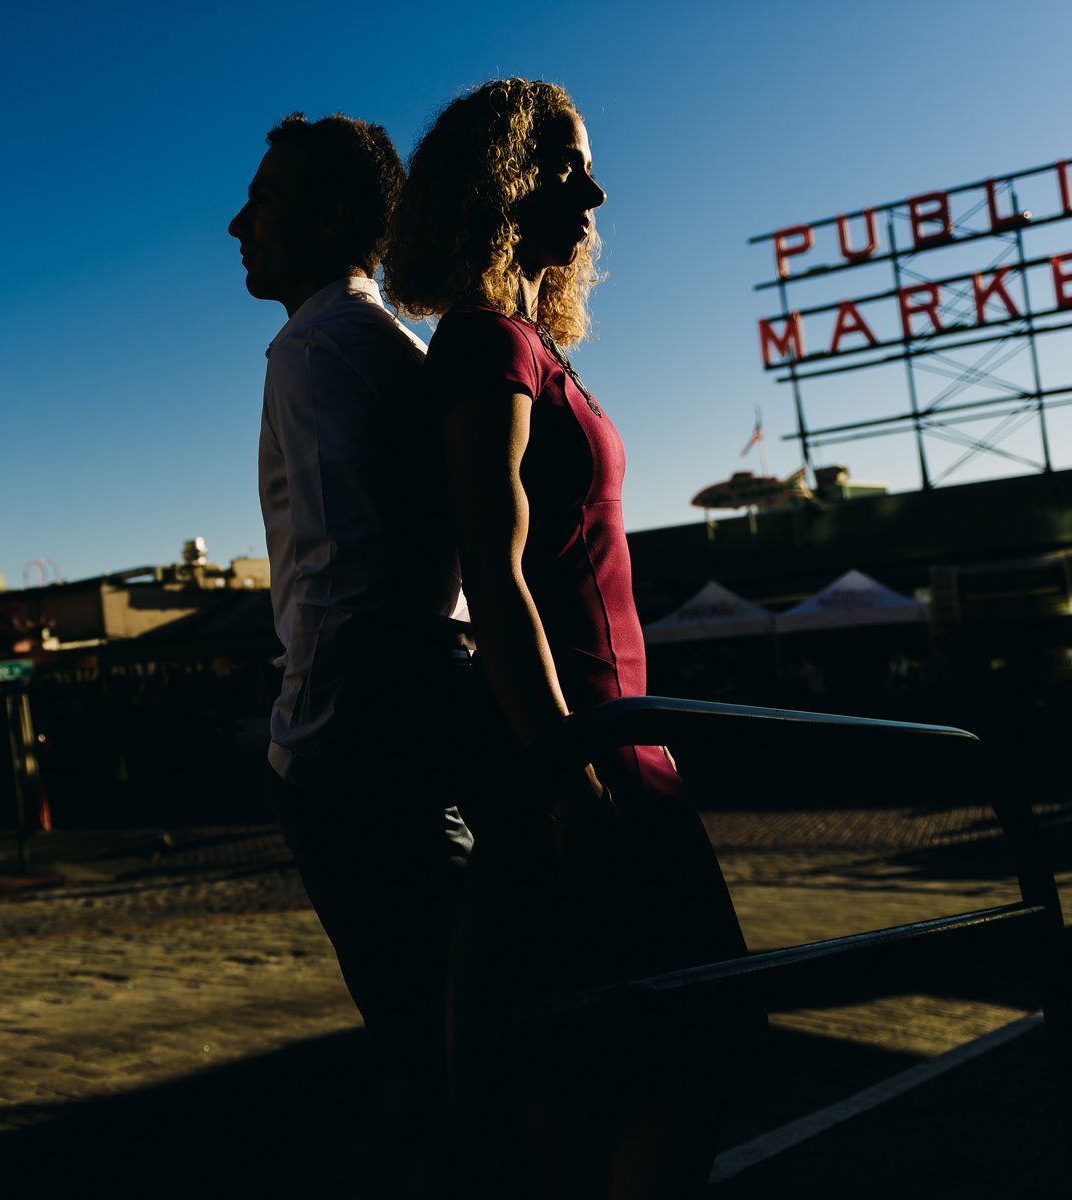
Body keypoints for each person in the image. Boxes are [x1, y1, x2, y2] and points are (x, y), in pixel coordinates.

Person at [386, 79, 754, 1198]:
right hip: (582, 764)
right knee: (676, 1070)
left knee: (590, 1084)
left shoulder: (526, 347)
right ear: (494, 187)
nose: (592, 189)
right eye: (561, 165)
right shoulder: (490, 347)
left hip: (610, 754)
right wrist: (572, 784)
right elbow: (492, 577)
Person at [228, 112, 474, 1193]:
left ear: (332, 219)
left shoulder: (316, 345)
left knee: (426, 1043)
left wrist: (299, 748)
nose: (239, 223)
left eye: (266, 198)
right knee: (456, 1019)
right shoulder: (389, 344)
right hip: (421, 725)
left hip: (355, 750)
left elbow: (337, 577)